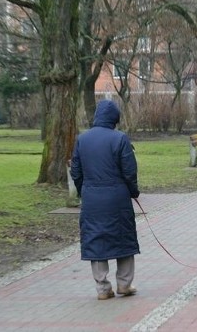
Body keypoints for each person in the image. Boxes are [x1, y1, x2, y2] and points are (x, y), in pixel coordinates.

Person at [70, 99, 140, 300]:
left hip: (92, 198)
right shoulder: (120, 138)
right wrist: (133, 191)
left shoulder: (82, 139)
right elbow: (129, 171)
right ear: (114, 118)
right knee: (123, 238)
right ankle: (124, 284)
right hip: (117, 197)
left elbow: (76, 171)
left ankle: (102, 288)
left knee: (96, 238)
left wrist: (84, 190)